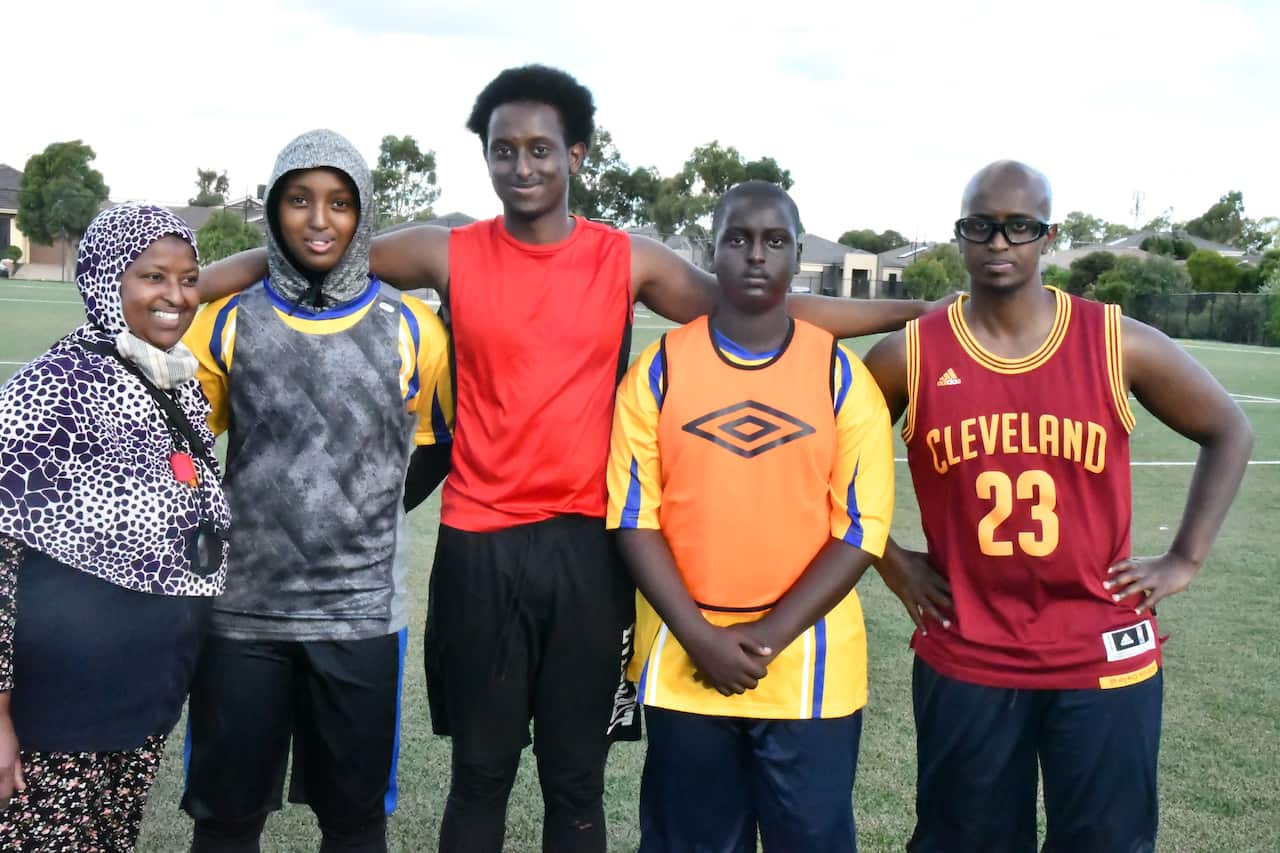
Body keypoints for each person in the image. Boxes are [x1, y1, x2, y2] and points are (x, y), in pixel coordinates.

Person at [198, 65, 939, 852]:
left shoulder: (628, 260)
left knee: (576, 780)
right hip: (480, 545)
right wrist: (190, 282)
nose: (523, 167)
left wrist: (918, 311)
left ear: (578, 154)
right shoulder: (447, 252)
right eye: (503, 151)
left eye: (541, 150)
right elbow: (308, 248)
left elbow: (761, 303)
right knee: (480, 775)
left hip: (590, 549)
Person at [863, 160, 1254, 853]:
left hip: (1099, 646)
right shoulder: (911, 355)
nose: (999, 242)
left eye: (1020, 227)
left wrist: (1185, 556)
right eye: (980, 226)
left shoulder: (1112, 339)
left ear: (1050, 235)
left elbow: (1228, 428)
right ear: (961, 236)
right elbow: (829, 463)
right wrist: (891, 562)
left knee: (1106, 841)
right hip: (970, 647)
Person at [180, 129, 452, 853]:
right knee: (227, 817)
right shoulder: (229, 321)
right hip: (242, 615)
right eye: (299, 200)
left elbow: (436, 445)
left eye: (339, 201)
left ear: (363, 213)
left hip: (359, 615)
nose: (319, 219)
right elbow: (187, 455)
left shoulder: (412, 328)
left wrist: (371, 508)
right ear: (274, 210)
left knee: (355, 820)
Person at [606, 181, 894, 851]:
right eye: (737, 239)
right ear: (713, 253)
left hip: (808, 669)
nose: (755, 255)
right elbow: (632, 516)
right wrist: (701, 636)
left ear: (798, 255)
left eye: (773, 242)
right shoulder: (659, 371)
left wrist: (767, 635)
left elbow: (860, 527)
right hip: (686, 660)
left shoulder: (838, 375)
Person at [0, 204, 231, 851]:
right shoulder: (51, 391)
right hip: (58, 707)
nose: (176, 296)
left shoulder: (174, 381)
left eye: (189, 279)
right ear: (106, 278)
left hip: (142, 693)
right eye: (153, 276)